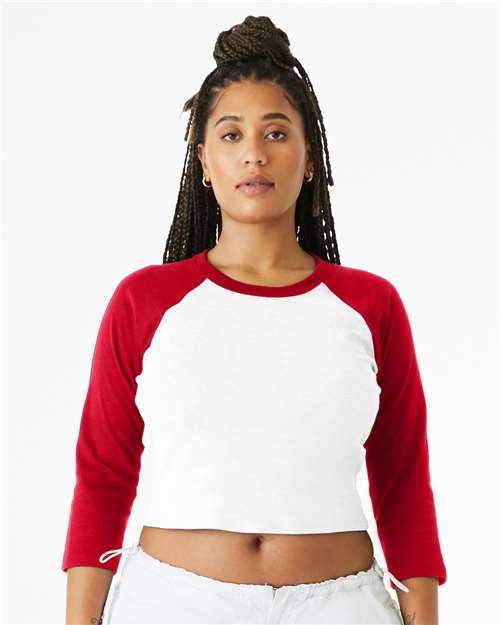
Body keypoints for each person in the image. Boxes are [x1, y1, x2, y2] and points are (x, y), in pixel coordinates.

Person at [62, 15, 447, 625]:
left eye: (276, 132)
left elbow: (402, 479)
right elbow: (103, 476)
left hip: (339, 607)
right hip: (172, 604)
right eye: (231, 134)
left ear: (310, 156)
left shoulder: (371, 306)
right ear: (204, 160)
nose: (254, 154)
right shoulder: (145, 301)